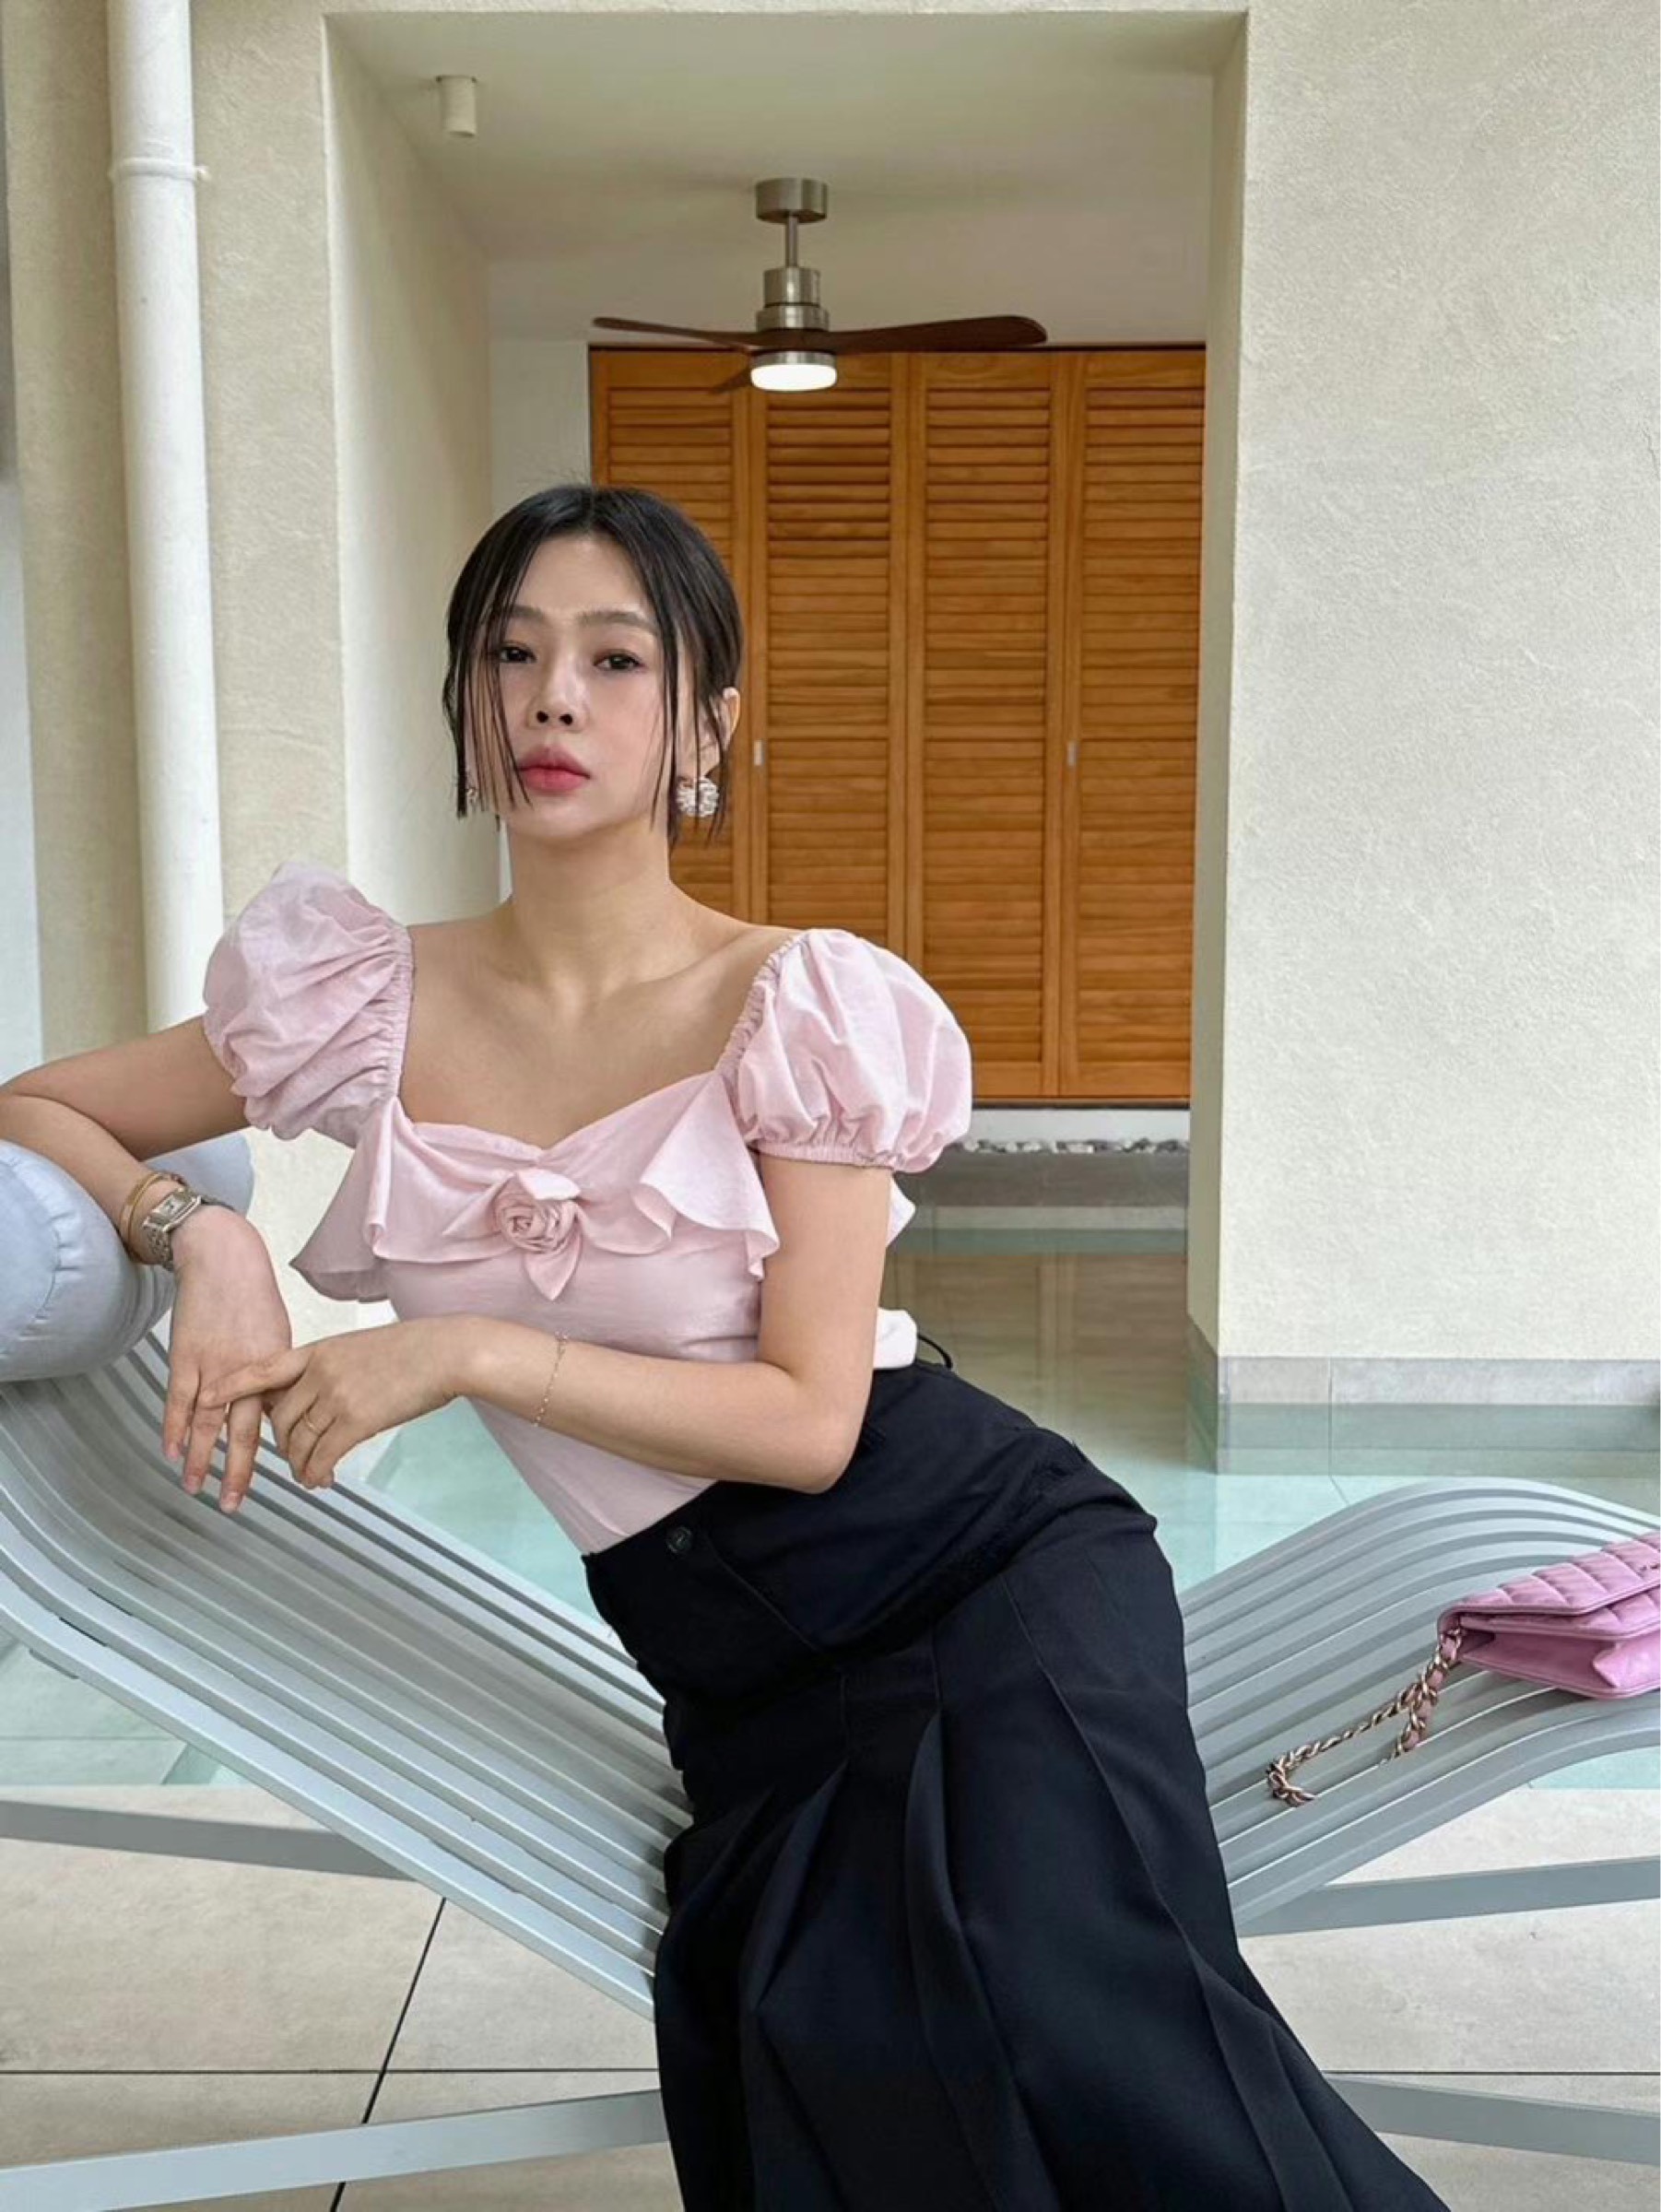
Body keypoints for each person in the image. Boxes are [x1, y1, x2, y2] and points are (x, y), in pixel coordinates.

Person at [187, 485, 1451, 2208]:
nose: (553, 697)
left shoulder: (796, 1006)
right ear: (467, 701)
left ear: (706, 727)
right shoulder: (356, 1004)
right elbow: (40, 1109)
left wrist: (466, 1348)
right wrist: (200, 1233)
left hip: (980, 1565)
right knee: (821, 2025)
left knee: (1067, 1996)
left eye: (616, 661)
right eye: (512, 652)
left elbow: (810, 1423)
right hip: (747, 1667)